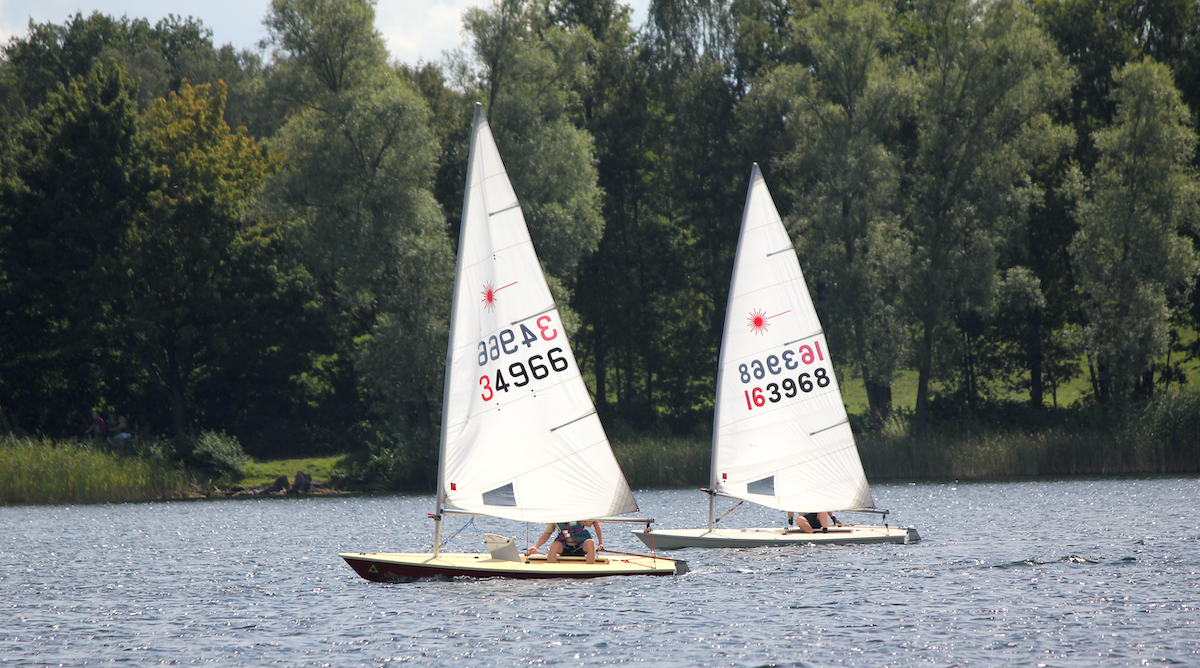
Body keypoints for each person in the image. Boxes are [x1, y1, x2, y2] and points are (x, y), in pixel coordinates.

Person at [526, 521, 603, 564]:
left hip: (581, 547)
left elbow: (595, 522)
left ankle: (589, 568)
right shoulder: (555, 519)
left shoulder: (580, 516)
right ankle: (551, 569)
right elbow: (547, 534)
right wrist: (535, 546)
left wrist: (600, 543)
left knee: (591, 543)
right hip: (565, 548)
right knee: (554, 545)